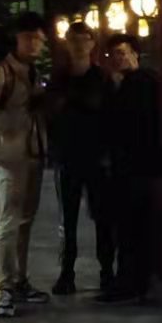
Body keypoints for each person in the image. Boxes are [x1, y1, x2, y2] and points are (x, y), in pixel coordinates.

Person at [0, 11, 51, 318]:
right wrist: (18, 119)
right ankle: (6, 286)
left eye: (39, 39)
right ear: (16, 40)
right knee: (10, 220)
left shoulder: (33, 72)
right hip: (10, 153)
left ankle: (20, 279)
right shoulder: (1, 73)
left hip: (34, 151)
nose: (35, 44)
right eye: (29, 38)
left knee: (26, 220)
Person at [47, 22, 112, 295]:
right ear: (67, 43)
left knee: (103, 217)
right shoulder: (60, 77)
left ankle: (107, 272)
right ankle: (67, 272)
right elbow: (52, 111)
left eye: (84, 39)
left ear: (92, 43)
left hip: (96, 156)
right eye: (74, 39)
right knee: (68, 219)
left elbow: (103, 110)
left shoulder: (101, 77)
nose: (79, 44)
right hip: (67, 155)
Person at [99, 33, 162, 305]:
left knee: (132, 228)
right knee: (132, 228)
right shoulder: (128, 84)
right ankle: (136, 282)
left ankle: (132, 282)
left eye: (123, 52)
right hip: (133, 166)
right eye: (114, 54)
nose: (119, 58)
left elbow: (125, 124)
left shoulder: (141, 83)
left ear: (136, 54)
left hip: (138, 166)